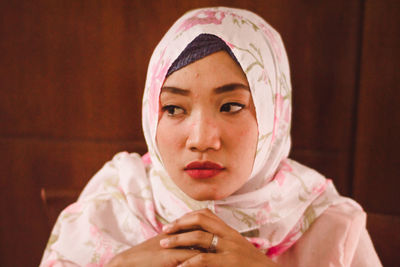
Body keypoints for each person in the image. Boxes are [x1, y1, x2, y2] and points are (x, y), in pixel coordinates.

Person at [40, 7, 382, 267]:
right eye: (174, 109)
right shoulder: (112, 204)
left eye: (231, 105)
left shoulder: (329, 226)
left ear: (273, 114)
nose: (202, 139)